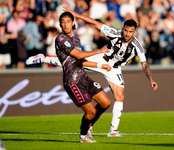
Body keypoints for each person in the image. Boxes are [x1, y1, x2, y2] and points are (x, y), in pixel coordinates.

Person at [26, 6, 158, 137]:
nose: (127, 34)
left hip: (114, 68)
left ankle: (113, 131)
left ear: (134, 32)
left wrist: (151, 79)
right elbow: (95, 23)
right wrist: (75, 15)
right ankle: (44, 59)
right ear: (122, 28)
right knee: (74, 61)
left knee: (120, 97)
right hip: (100, 57)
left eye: (130, 32)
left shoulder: (137, 46)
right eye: (125, 30)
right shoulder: (115, 33)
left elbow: (144, 63)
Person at [27, 11, 112, 143]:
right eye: (63, 22)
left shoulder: (76, 40)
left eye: (68, 21)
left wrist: (100, 65)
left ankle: (88, 126)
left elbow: (80, 61)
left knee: (106, 102)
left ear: (73, 23)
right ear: (60, 24)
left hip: (84, 77)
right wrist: (100, 50)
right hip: (73, 82)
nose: (65, 25)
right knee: (90, 112)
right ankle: (84, 135)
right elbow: (78, 54)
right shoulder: (61, 39)